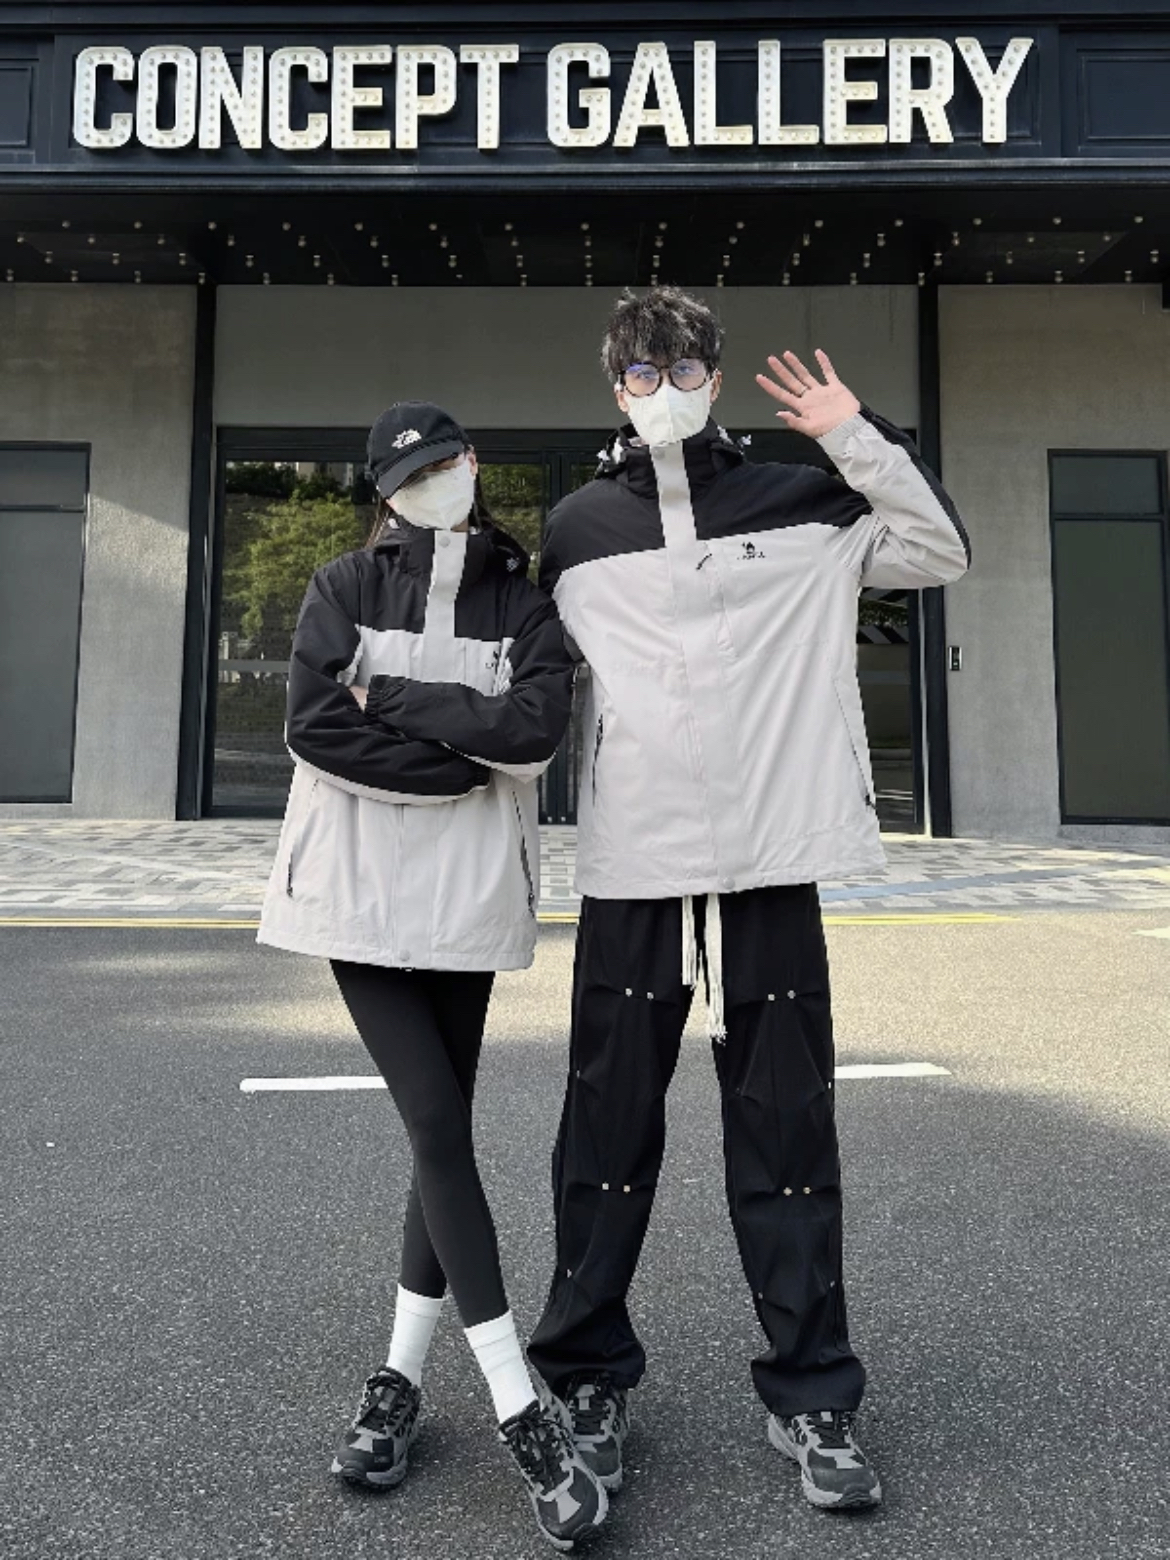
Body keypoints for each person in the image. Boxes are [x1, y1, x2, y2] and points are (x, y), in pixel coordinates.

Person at [527, 287, 970, 1511]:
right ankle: (586, 1377)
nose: (661, 390)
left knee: (787, 1130)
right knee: (605, 1128)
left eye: (682, 370)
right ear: (614, 388)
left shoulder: (804, 501)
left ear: (715, 380)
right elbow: (528, 681)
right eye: (639, 373)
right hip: (636, 865)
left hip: (774, 861)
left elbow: (938, 550)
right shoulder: (577, 528)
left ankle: (813, 1393)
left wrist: (852, 434)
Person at [257, 401, 608, 1550]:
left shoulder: (523, 599)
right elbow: (316, 726)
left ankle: (398, 1382)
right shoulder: (342, 585)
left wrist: (400, 702)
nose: (433, 483)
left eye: (446, 463)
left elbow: (535, 731)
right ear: (385, 493)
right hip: (355, 902)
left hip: (468, 901)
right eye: (409, 475)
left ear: (472, 464)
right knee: (439, 1127)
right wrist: (461, 759)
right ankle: (518, 1409)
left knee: (437, 1134)